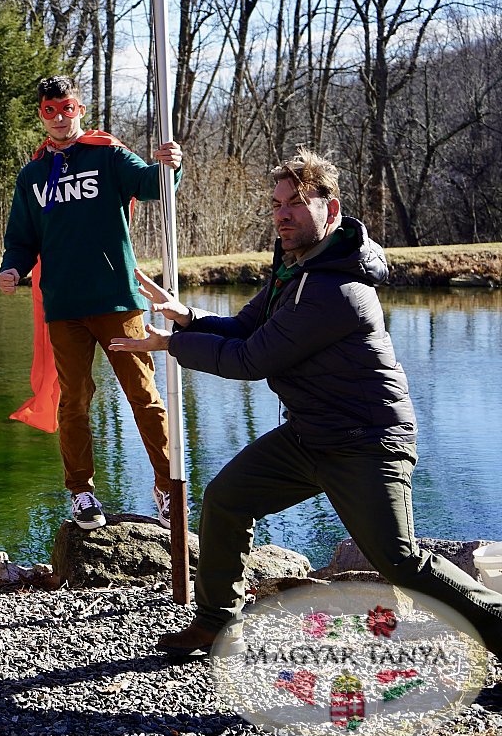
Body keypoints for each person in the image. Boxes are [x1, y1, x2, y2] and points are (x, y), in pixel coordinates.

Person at [109, 149, 502, 658]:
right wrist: (187, 317)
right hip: (311, 432)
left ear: (330, 209)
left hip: (366, 441)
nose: (282, 214)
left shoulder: (337, 290)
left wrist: (171, 344)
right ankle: (215, 623)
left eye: (296, 202)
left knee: (400, 560)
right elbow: (247, 328)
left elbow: (252, 359)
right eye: (276, 204)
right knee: (227, 500)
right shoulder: (293, 273)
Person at [0, 75, 183, 531]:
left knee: (144, 395)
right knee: (74, 400)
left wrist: (170, 166)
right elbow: (21, 238)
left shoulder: (107, 154)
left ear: (79, 109)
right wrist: (12, 269)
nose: (60, 117)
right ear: (41, 115)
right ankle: (81, 492)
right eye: (49, 111)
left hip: (117, 300)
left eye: (67, 108)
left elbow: (152, 186)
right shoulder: (33, 174)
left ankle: (167, 487)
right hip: (63, 306)